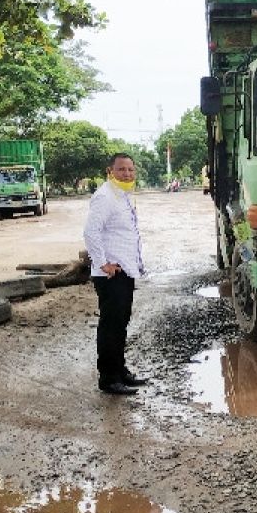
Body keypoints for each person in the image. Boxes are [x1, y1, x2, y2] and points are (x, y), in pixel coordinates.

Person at [84, 153, 149, 396]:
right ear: (110, 171)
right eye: (122, 169)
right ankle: (109, 378)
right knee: (111, 325)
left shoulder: (123, 195)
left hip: (125, 270)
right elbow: (91, 231)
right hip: (111, 274)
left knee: (120, 324)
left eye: (131, 169)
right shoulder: (104, 196)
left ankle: (120, 371)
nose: (127, 173)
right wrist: (103, 264)